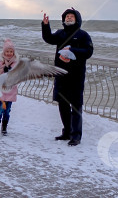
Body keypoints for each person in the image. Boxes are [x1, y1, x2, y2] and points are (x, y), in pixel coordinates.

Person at [41, 8, 94, 146]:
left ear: (77, 19)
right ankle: (67, 132)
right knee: (63, 104)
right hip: (61, 74)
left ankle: (76, 136)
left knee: (76, 106)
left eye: (72, 16)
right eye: (67, 17)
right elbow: (49, 39)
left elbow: (88, 51)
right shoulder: (60, 33)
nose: (69, 18)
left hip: (76, 76)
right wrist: (46, 26)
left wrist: (72, 50)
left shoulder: (83, 35)